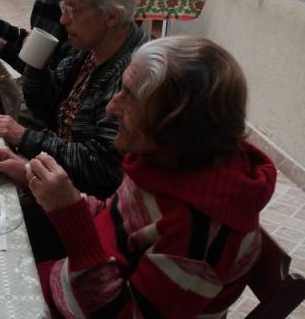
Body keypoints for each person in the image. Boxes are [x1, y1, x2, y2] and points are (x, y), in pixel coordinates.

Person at [28, 36, 276, 318]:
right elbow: (119, 226)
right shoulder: (165, 162)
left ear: (175, 126)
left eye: (130, 97)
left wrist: (69, 214)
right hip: (69, 284)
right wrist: (55, 193)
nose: (111, 107)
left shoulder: (200, 235)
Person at [0, 0, 149, 199]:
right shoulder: (87, 50)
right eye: (64, 8)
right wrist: (36, 63)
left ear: (111, 17)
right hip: (57, 174)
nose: (63, 20)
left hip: (86, 202)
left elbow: (101, 169)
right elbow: (43, 106)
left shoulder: (135, 73)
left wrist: (25, 138)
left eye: (73, 9)